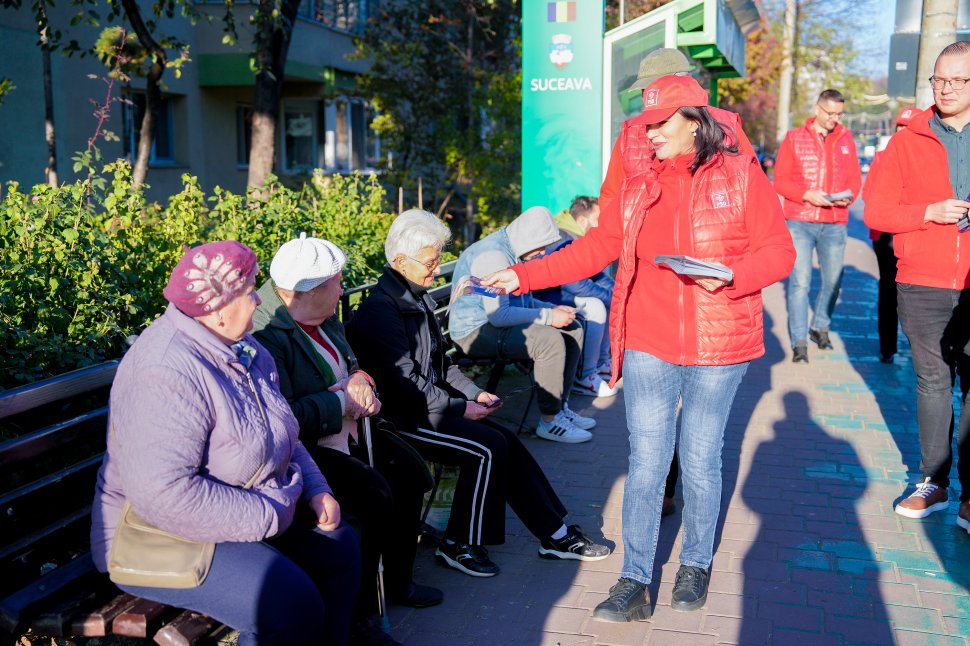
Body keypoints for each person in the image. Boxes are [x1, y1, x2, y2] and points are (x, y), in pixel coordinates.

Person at [484, 76, 795, 619]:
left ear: (694, 123)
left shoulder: (742, 175)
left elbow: (780, 252)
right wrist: (522, 276)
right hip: (650, 340)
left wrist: (731, 274)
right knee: (648, 464)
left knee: (699, 461)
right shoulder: (637, 182)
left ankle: (695, 563)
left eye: (660, 123)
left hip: (718, 342)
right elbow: (596, 248)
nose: (648, 133)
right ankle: (633, 580)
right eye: (645, 122)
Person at [90, 241, 361, 645]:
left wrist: (316, 489)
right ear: (217, 308)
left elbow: (281, 428)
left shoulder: (244, 347)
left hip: (243, 506)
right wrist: (269, 515)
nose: (258, 300)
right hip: (157, 535)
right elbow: (165, 495)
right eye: (250, 291)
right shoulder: (165, 370)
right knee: (288, 603)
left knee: (340, 548)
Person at [345, 209, 611, 578]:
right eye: (431, 260)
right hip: (404, 418)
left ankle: (555, 532)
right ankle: (459, 544)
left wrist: (474, 393)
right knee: (487, 449)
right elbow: (403, 385)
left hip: (428, 405)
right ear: (400, 261)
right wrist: (460, 407)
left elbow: (442, 366)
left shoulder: (414, 296)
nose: (437, 268)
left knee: (506, 440)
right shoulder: (382, 311)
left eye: (438, 258)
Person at [251, 234, 442, 645]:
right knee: (371, 495)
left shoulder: (324, 314)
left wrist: (359, 378)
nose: (343, 289)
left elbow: (351, 360)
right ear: (309, 291)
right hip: (311, 448)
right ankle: (361, 618)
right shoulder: (269, 334)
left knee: (408, 473)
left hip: (353, 432)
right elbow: (284, 417)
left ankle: (396, 581)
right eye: (336, 283)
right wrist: (340, 402)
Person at [863, 41, 970, 531]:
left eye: (957, 81)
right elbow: (877, 212)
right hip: (922, 281)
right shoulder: (907, 141)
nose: (945, 89)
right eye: (938, 79)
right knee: (933, 381)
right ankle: (935, 480)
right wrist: (927, 213)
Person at [446, 205, 597, 443]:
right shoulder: (492, 256)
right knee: (549, 340)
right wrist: (549, 318)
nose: (544, 252)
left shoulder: (515, 250)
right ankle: (549, 422)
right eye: (542, 245)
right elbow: (499, 316)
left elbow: (523, 302)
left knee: (572, 328)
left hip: (492, 325)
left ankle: (559, 408)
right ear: (529, 238)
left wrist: (551, 309)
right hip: (473, 332)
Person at [774, 88, 862, 363]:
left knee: (833, 282)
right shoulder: (794, 138)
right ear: (817, 109)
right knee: (800, 282)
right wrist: (806, 194)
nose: (834, 119)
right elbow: (780, 181)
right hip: (800, 220)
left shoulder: (846, 138)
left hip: (835, 221)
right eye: (830, 113)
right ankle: (800, 341)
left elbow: (855, 179)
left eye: (839, 114)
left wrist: (849, 196)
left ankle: (820, 325)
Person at [535, 195, 618, 399]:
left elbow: (597, 276)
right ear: (582, 221)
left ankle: (602, 363)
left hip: (562, 294)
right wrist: (612, 298)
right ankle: (585, 376)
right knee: (596, 305)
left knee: (608, 299)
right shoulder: (563, 238)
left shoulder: (580, 238)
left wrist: (620, 295)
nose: (603, 225)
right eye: (599, 219)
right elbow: (574, 283)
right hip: (545, 298)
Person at [866, 107, 916, 364]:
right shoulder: (881, 157)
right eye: (899, 127)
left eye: (908, 127)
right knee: (888, 287)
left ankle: (917, 342)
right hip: (886, 234)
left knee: (914, 290)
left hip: (915, 233)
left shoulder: (924, 158)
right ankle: (888, 347)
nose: (903, 132)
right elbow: (869, 196)